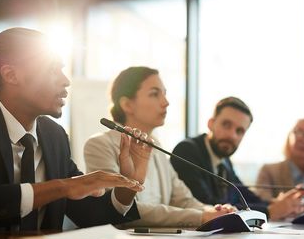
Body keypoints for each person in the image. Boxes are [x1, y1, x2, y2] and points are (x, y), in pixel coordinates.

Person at [0, 27, 146, 234]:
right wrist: (60, 187)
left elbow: (91, 216)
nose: (66, 80)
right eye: (52, 70)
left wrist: (126, 185)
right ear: (11, 75)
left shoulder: (55, 137)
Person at [83, 66, 234, 228]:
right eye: (155, 94)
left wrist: (217, 212)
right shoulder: (99, 145)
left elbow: (182, 199)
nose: (166, 102)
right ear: (127, 104)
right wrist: (201, 216)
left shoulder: (155, 145)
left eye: (164, 94)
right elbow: (124, 210)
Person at [171, 97, 304, 221]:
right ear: (211, 123)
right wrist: (269, 211)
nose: (232, 135)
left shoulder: (224, 161)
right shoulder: (187, 151)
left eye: (239, 131)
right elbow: (209, 205)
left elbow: (243, 194)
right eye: (226, 125)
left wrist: (280, 204)